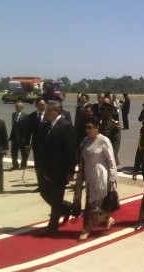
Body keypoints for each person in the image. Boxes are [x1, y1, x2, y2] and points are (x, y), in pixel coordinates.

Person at [39, 101, 77, 234]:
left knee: (55, 198)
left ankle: (52, 226)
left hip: (60, 169)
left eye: (49, 110)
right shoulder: (47, 125)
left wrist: (71, 171)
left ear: (56, 112)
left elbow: (71, 150)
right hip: (48, 168)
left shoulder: (65, 126)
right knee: (44, 192)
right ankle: (66, 207)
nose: (47, 113)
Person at [77, 118, 117, 240]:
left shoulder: (104, 141)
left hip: (102, 177)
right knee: (94, 203)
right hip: (89, 177)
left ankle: (86, 229)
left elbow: (111, 161)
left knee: (92, 206)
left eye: (90, 127)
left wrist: (112, 178)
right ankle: (108, 218)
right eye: (86, 128)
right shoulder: (85, 141)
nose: (88, 130)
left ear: (96, 128)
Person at [25, 98, 48, 192]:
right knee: (38, 166)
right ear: (36, 106)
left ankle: (47, 185)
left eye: (43, 105)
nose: (41, 107)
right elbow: (28, 132)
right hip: (36, 146)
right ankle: (40, 185)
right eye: (39, 105)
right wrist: (27, 145)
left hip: (48, 146)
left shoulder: (49, 115)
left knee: (47, 165)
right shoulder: (31, 117)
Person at [9, 101, 28, 170]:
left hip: (22, 138)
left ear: (22, 107)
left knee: (23, 153)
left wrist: (25, 138)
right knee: (13, 153)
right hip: (14, 137)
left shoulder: (25, 115)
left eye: (19, 106)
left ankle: (23, 164)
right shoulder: (13, 114)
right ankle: (15, 165)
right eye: (16, 106)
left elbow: (26, 128)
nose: (17, 108)